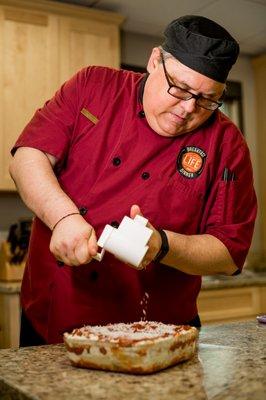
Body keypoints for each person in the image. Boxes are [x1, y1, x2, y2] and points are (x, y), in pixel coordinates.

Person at [9, 15, 257, 346]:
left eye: (206, 100)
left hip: (158, 332)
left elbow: (229, 252)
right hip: (52, 315)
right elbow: (28, 156)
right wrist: (63, 217)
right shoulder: (93, 86)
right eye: (179, 88)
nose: (187, 108)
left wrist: (162, 246)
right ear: (155, 61)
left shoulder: (227, 144)